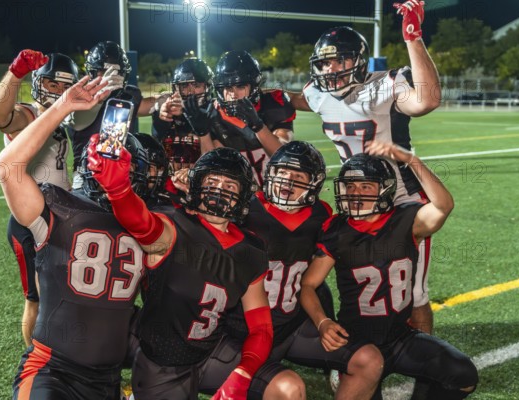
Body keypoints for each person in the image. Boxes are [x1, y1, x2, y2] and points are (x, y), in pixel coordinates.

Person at [289, 1, 439, 355]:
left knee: (414, 290)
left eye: (338, 60)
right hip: (356, 203)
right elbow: (299, 100)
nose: (331, 68)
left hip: (402, 200)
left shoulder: (383, 85)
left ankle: (426, 359)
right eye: (325, 62)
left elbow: (427, 100)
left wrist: (413, 38)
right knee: (356, 280)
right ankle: (354, 350)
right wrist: (260, 95)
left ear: (357, 60)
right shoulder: (319, 92)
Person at [0, 76, 152, 399]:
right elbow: (8, 166)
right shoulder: (62, 209)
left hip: (108, 379)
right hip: (54, 372)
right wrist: (63, 105)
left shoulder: (152, 224)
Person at [198, 141, 383, 399]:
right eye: (283, 172)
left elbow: (317, 274)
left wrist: (323, 320)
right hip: (239, 330)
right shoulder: (243, 209)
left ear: (314, 184)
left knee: (369, 359)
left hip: (291, 324)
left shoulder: (321, 214)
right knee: (283, 388)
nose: (288, 181)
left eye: (298, 176)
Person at [87, 146, 273, 399]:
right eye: (212, 181)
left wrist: (244, 373)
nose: (219, 190)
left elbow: (261, 328)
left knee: (287, 387)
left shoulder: (251, 250)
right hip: (163, 360)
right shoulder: (174, 226)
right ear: (196, 186)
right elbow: (140, 223)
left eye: (230, 186)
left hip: (212, 351)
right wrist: (118, 188)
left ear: (242, 196)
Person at [300, 141, 479, 399]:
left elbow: (443, 205)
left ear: (384, 190)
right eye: (350, 186)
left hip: (400, 337)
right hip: (357, 341)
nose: (356, 193)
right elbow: (308, 285)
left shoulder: (406, 221)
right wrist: (323, 322)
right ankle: (344, 369)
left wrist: (407, 157)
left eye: (365, 186)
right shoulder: (337, 230)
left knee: (463, 376)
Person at [0, 50, 79, 347]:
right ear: (39, 83)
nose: (60, 92)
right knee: (38, 302)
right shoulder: (30, 114)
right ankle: (34, 364)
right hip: (31, 223)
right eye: (53, 84)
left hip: (59, 219)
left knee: (68, 299)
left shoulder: (61, 120)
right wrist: (16, 72)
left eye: (66, 86)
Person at [69, 41, 159, 190]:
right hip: (87, 174)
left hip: (121, 173)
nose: (110, 76)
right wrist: (100, 96)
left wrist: (164, 101)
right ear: (91, 72)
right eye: (103, 71)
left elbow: (146, 106)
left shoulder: (128, 95)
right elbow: (78, 122)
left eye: (117, 72)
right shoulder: (80, 94)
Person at [197, 50, 295, 186]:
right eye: (228, 87)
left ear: (254, 87)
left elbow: (283, 158)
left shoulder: (273, 104)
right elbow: (212, 166)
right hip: (240, 193)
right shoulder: (214, 113)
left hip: (277, 191)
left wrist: (258, 125)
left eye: (240, 86)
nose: (233, 94)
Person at [154, 57, 216, 171]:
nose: (190, 92)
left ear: (207, 87)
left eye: (196, 85)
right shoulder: (169, 109)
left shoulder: (215, 112)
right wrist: (161, 110)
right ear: (177, 88)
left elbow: (216, 159)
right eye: (184, 86)